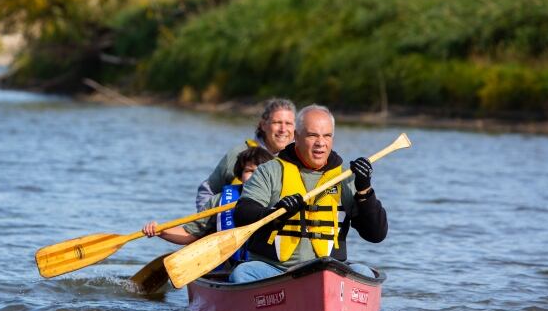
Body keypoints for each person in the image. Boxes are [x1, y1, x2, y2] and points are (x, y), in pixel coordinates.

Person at [229, 104, 387, 283]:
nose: (320, 143)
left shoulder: (345, 177)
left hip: (329, 272)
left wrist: (365, 190)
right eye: (313, 135)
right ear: (296, 136)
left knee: (364, 272)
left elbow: (376, 235)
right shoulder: (270, 171)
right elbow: (242, 214)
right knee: (242, 273)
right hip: (275, 271)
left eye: (327, 136)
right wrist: (276, 214)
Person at [144, 147, 275, 266]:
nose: (255, 176)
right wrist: (161, 231)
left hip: (266, 266)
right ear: (240, 175)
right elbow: (189, 233)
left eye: (260, 172)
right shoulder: (219, 201)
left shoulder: (278, 199)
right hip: (229, 268)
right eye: (249, 171)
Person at [195, 98, 296, 211]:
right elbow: (208, 190)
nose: (283, 129)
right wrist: (206, 224)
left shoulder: (302, 159)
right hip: (234, 224)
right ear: (263, 125)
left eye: (288, 123)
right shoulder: (238, 154)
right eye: (277, 122)